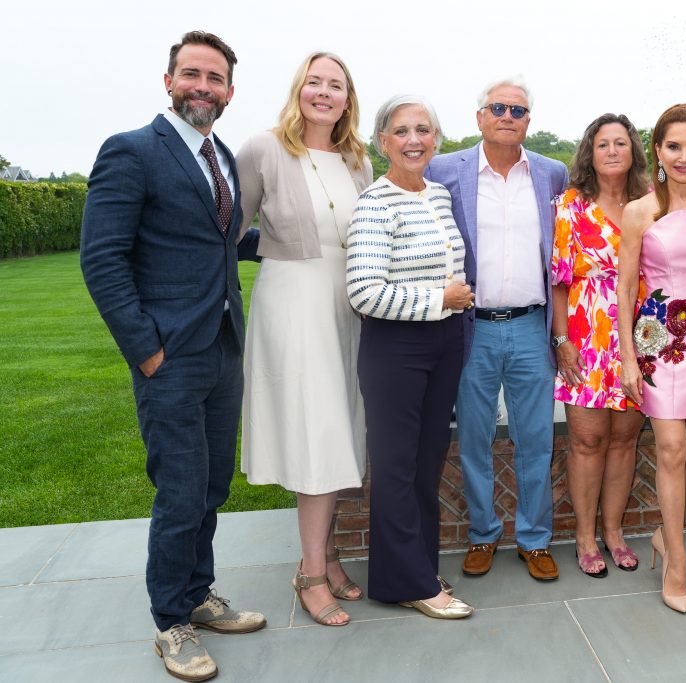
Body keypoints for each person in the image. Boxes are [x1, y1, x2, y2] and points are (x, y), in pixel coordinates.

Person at [80, 31, 264, 682]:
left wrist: (293, 240)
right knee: (181, 489)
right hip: (170, 355)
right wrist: (146, 351)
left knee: (212, 484)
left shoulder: (223, 159)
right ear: (169, 80)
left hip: (222, 345)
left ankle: (199, 593)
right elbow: (101, 259)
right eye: (192, 74)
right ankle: (170, 621)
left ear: (230, 93)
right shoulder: (132, 152)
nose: (203, 87)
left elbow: (223, 239)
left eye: (215, 79)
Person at [236, 52, 371, 627]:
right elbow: (227, 229)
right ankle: (311, 575)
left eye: (334, 85)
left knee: (343, 431)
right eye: (314, 82)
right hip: (294, 305)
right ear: (298, 89)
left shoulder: (357, 159)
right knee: (318, 434)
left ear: (347, 98)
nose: (323, 93)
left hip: (351, 306)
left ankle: (331, 556)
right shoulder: (265, 149)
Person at [425, 78, 569, 582]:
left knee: (537, 439)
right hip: (471, 328)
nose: (508, 115)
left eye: (519, 109)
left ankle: (534, 539)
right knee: (474, 439)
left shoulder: (552, 174)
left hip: (532, 326)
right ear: (480, 116)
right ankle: (483, 534)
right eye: (498, 108)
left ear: (529, 120)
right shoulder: (445, 169)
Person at [346, 95, 475, 620]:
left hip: (444, 344)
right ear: (383, 143)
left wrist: (449, 309)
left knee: (427, 464)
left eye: (424, 129)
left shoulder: (439, 195)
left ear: (436, 139)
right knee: (398, 467)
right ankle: (415, 582)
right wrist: (437, 299)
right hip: (395, 347)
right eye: (402, 131)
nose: (414, 140)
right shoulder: (375, 203)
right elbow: (363, 291)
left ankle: (414, 568)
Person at [616, 104, 686, 613]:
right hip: (658, 340)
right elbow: (623, 290)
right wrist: (627, 359)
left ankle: (665, 535)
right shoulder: (640, 211)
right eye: (674, 146)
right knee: (670, 448)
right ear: (658, 150)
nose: (685, 156)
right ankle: (678, 563)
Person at [551, 114, 648, 577]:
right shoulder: (571, 205)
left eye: (620, 143)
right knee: (588, 439)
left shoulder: (652, 203)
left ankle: (613, 531)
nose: (612, 151)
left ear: (634, 152)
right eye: (603, 143)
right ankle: (585, 536)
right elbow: (559, 281)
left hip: (640, 334)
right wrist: (562, 340)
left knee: (626, 437)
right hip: (587, 335)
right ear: (590, 152)